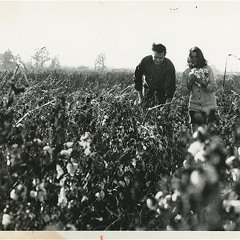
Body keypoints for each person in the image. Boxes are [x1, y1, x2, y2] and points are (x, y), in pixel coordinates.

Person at [181, 46, 218, 133]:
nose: (194, 59)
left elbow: (212, 88)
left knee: (210, 136)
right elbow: (184, 92)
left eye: (196, 57)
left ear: (200, 57)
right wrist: (190, 82)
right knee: (196, 136)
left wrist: (202, 82)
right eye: (192, 57)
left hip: (209, 106)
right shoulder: (186, 72)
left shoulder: (207, 69)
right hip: (194, 107)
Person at [133, 43, 176, 114]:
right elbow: (137, 77)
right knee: (144, 109)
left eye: (160, 58)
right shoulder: (145, 61)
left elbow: (171, 86)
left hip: (162, 90)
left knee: (162, 112)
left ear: (164, 55)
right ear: (152, 54)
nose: (158, 60)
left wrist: (167, 104)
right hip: (148, 88)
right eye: (155, 57)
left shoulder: (169, 65)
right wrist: (140, 97)